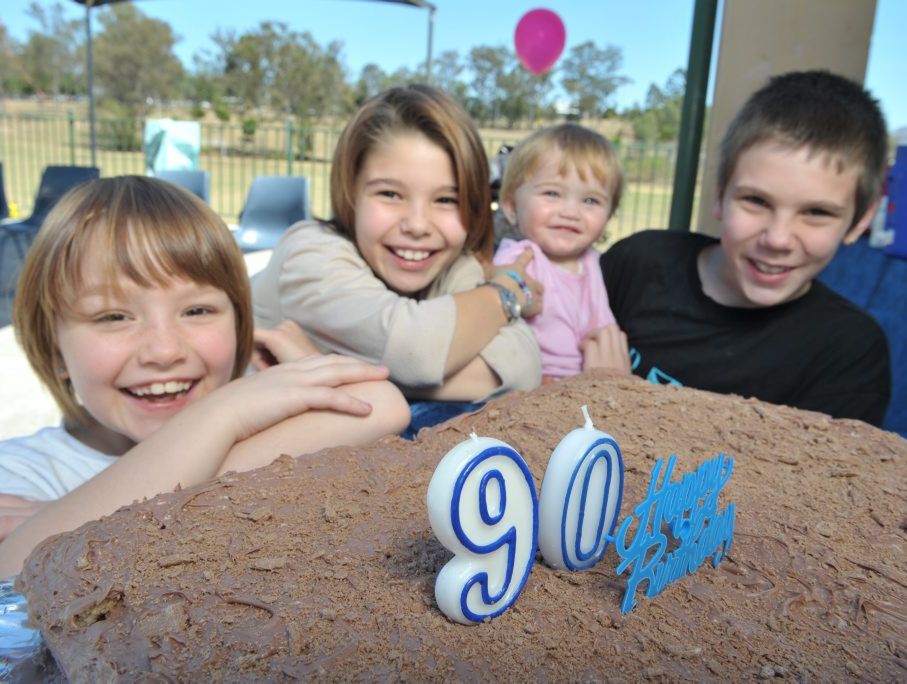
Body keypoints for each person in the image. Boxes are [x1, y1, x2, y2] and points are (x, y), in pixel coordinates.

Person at [0, 175, 410, 577]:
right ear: (54, 348)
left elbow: (380, 403)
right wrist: (223, 412)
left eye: (197, 311)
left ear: (239, 326)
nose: (164, 351)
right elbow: (15, 568)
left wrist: (71, 526)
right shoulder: (20, 474)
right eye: (113, 316)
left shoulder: (243, 415)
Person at [599, 69, 891, 425]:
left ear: (861, 219)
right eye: (756, 201)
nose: (778, 239)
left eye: (816, 212)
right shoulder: (639, 262)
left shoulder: (849, 352)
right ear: (720, 194)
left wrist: (613, 394)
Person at [253, 85, 542, 434]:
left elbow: (524, 364)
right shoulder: (308, 255)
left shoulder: (453, 264)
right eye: (390, 194)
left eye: (446, 200)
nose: (417, 226)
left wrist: (338, 370)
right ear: (351, 192)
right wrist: (506, 291)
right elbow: (414, 349)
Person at [493, 123, 629, 383]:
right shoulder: (519, 260)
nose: (570, 212)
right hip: (529, 386)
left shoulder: (599, 265)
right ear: (511, 206)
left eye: (590, 200)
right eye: (552, 193)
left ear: (609, 215)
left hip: (592, 385)